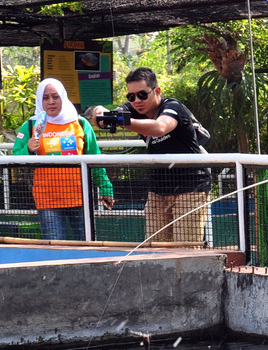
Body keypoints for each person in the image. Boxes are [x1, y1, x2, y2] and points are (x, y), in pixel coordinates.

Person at [88, 67, 211, 245]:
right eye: (131, 96)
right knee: (154, 247)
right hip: (158, 188)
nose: (137, 100)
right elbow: (105, 115)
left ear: (157, 91)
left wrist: (120, 121)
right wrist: (99, 112)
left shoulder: (172, 107)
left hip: (191, 186)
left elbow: (160, 128)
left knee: (186, 249)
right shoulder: (132, 109)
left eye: (142, 94)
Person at [13, 78, 114, 240]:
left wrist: (106, 188)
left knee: (85, 246)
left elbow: (95, 158)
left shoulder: (80, 124)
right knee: (54, 249)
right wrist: (28, 149)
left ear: (63, 97)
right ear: (40, 100)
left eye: (55, 96)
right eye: (46, 98)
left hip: (79, 198)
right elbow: (15, 158)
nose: (51, 102)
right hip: (47, 199)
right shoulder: (31, 125)